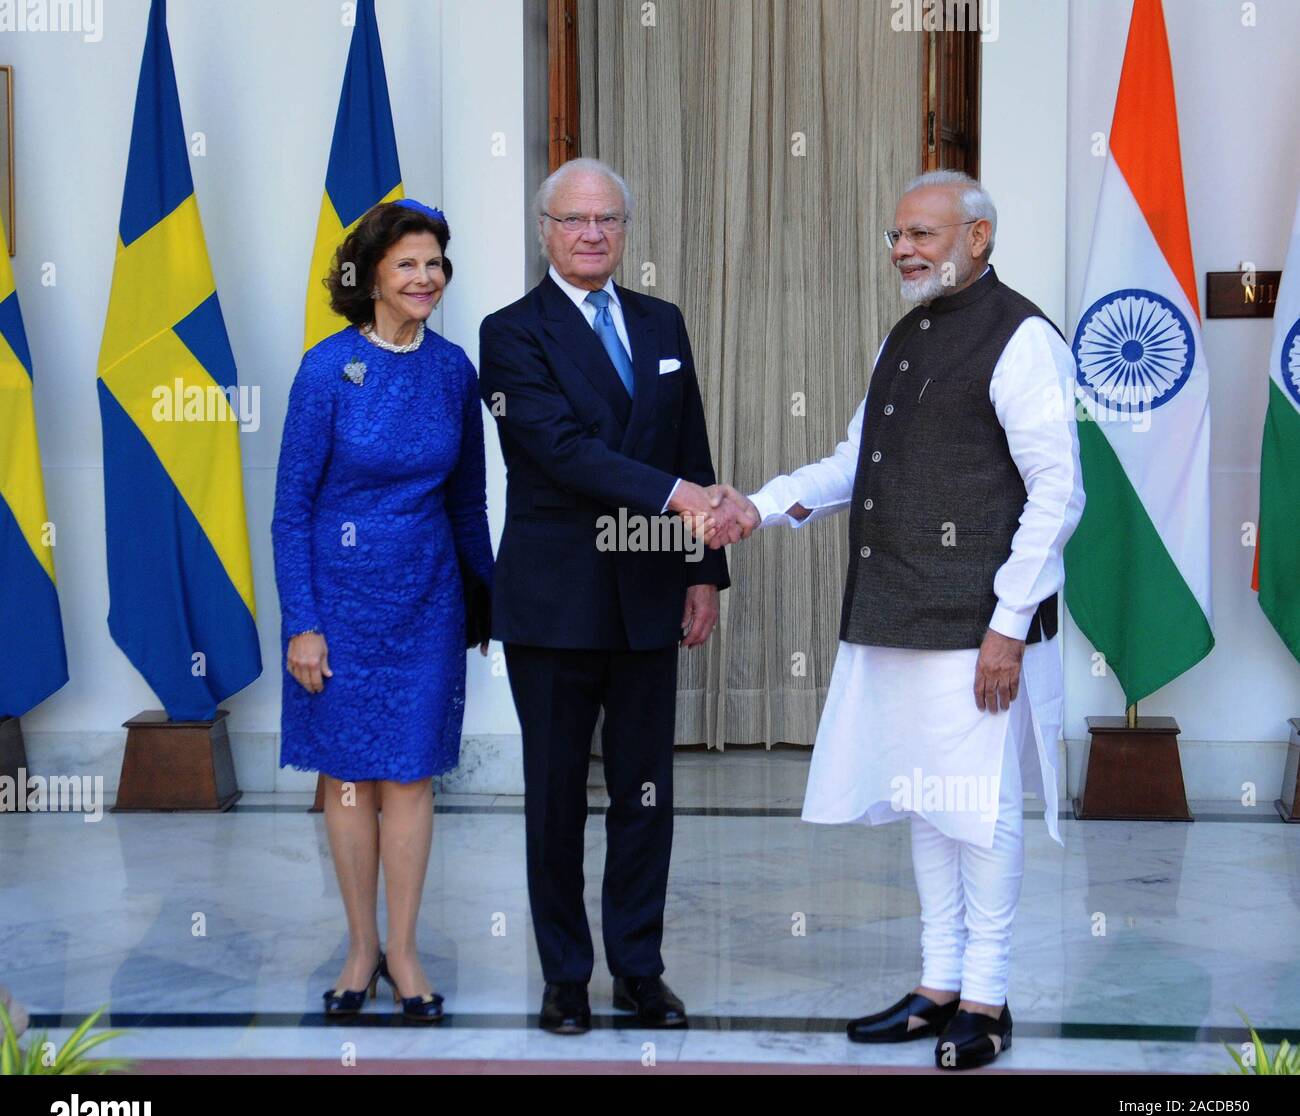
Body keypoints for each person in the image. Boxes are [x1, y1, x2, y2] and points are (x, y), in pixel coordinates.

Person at [711, 170, 1085, 1069]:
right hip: (895, 612)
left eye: (924, 233)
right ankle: (937, 986)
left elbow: (1058, 493)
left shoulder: (1023, 337)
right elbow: (853, 462)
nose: (906, 250)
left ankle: (987, 1002)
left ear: (979, 237)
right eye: (897, 236)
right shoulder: (906, 333)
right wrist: (759, 506)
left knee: (980, 813)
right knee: (927, 802)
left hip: (976, 626)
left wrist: (1007, 622)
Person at [479, 157, 733, 1034]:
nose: (593, 234)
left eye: (608, 220)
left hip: (650, 587)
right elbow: (556, 448)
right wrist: (679, 502)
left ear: (625, 230)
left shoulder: (662, 320)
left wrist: (703, 569)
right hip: (556, 598)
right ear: (544, 229)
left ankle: (639, 971)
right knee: (555, 797)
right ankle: (563, 977)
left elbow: (689, 440)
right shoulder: (510, 331)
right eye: (575, 219)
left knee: (646, 793)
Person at [272, 198, 492, 1023]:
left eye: (435, 263)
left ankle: (404, 952)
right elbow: (291, 509)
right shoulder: (326, 369)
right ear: (368, 277)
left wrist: (487, 600)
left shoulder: (453, 371)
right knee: (351, 780)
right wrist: (303, 620)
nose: (426, 277)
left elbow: (467, 503)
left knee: (410, 776)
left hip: (427, 601)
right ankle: (359, 948)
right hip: (337, 602)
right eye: (407, 263)